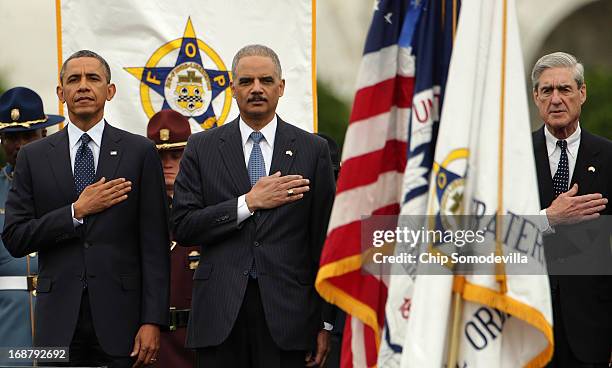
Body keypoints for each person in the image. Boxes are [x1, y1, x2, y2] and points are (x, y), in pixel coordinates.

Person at [2, 50, 170, 368]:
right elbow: (15, 237)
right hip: (56, 324)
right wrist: (75, 212)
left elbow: (155, 247)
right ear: (60, 93)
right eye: (73, 79)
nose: (83, 86)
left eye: (93, 78)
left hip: (124, 322)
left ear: (110, 90)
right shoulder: (33, 157)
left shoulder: (140, 152)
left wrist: (153, 321)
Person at [172, 44, 336, 368]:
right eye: (246, 81)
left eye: (265, 80)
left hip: (289, 319)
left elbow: (324, 242)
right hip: (220, 317)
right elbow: (183, 224)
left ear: (281, 87)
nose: (257, 89)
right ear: (233, 89)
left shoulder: (312, 149)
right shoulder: (201, 147)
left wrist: (325, 322)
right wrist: (247, 203)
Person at [531, 51, 612, 367]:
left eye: (564, 89)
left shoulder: (608, 156)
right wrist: (549, 218)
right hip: (529, 325)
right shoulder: (515, 158)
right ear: (536, 98)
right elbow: (493, 230)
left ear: (582, 93)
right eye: (547, 90)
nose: (556, 99)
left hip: (593, 331)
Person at [0, 87, 64, 365]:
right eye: (12, 137)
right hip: (7, 323)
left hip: (61, 313)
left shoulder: (68, 186)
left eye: (28, 136)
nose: (19, 145)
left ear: (44, 135)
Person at [146, 109, 198, 368]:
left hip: (197, 339)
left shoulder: (207, 208)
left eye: (176, 155)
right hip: (150, 341)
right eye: (160, 155)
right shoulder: (137, 212)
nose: (167, 163)